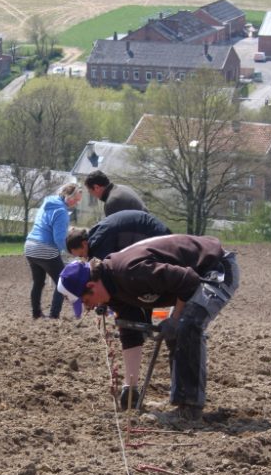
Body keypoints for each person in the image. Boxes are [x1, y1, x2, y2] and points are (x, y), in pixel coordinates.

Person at [57, 234, 239, 424]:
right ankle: (182, 401)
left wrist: (175, 319)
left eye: (86, 301)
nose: (90, 307)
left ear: (91, 285)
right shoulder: (113, 290)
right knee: (176, 330)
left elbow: (189, 280)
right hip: (193, 279)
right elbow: (130, 333)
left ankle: (190, 410)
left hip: (215, 269)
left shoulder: (130, 271)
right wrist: (130, 386)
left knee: (187, 325)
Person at [65, 210, 171, 409]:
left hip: (159, 240)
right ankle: (142, 327)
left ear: (84, 245)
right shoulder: (96, 237)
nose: (83, 259)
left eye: (81, 255)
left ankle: (143, 326)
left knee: (135, 289)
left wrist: (105, 303)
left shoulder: (99, 246)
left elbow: (105, 278)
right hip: (151, 234)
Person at [24, 182, 83, 319]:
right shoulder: (62, 212)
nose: (76, 203)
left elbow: (46, 226)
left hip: (30, 246)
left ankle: (36, 313)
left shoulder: (47, 204)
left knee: (38, 282)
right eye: (76, 200)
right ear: (68, 196)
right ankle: (54, 316)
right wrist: (70, 252)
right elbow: (58, 239)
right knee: (62, 282)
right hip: (46, 248)